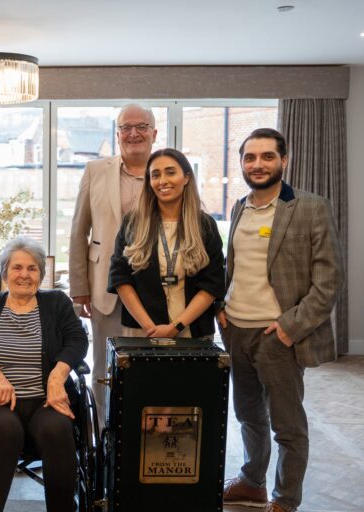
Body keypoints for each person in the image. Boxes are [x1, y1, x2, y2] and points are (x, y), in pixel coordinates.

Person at [218, 128, 344, 512]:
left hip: (278, 334)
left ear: (284, 161)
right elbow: (238, 266)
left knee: (287, 426)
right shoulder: (240, 206)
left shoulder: (310, 207)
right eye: (250, 157)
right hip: (236, 329)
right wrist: (222, 306)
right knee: (247, 415)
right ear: (242, 163)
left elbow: (329, 279)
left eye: (267, 156)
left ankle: (285, 500)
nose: (258, 164)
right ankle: (253, 482)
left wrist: (291, 327)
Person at [0, 236, 89, 512]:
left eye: (32, 268)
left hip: (46, 400)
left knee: (58, 428)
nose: (24, 275)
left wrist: (56, 376)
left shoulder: (56, 303)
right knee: (6, 429)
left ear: (41, 273)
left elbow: (78, 340)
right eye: (17, 268)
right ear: (4, 273)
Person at [69, 104, 157, 421]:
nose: (133, 133)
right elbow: (79, 231)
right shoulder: (96, 170)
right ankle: (103, 438)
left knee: (147, 368)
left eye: (142, 126)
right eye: (125, 127)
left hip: (154, 292)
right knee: (105, 368)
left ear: (154, 133)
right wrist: (79, 288)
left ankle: (138, 437)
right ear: (117, 134)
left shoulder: (167, 170)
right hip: (103, 289)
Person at [107, 148, 224, 339]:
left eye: (170, 172)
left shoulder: (205, 225)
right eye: (155, 175)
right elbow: (120, 278)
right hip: (142, 331)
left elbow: (212, 283)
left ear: (186, 178)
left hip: (193, 331)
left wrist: (176, 327)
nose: (162, 181)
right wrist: (149, 327)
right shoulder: (133, 223)